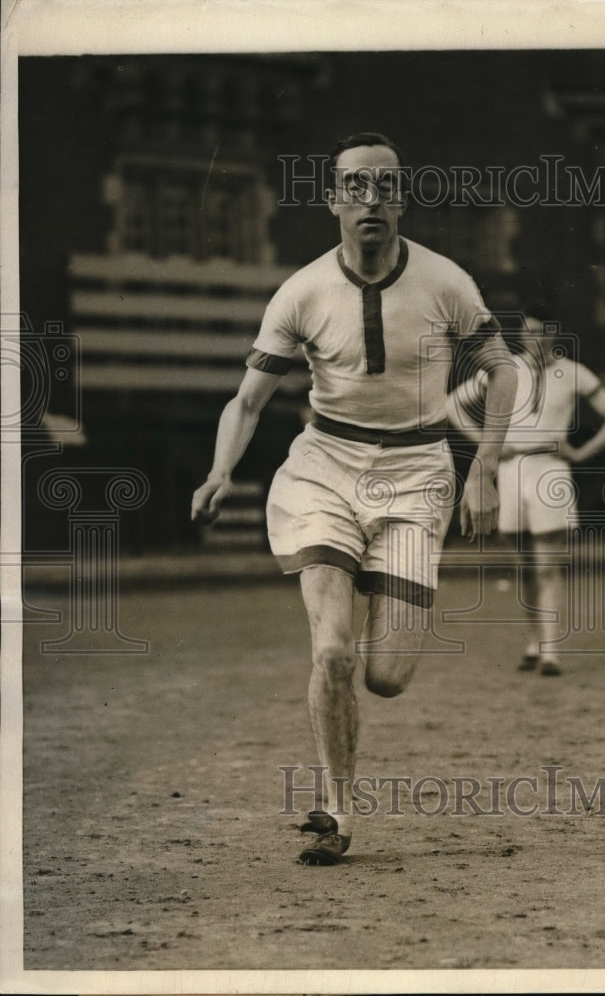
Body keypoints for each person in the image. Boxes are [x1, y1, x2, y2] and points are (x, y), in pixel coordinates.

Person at [191, 133, 518, 864]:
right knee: (333, 649)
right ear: (334, 199)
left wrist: (486, 466)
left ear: (401, 199)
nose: (371, 199)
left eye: (385, 186)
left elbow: (503, 370)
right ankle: (339, 814)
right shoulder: (302, 292)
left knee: (386, 677)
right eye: (355, 186)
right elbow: (247, 402)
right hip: (324, 469)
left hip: (417, 474)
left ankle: (393, 591)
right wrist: (219, 472)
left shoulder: (445, 282)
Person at [447, 308, 605, 677]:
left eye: (543, 333)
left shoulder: (573, 372)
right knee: (525, 568)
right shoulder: (505, 370)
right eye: (529, 332)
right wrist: (489, 444)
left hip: (551, 471)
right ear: (520, 335)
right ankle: (534, 643)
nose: (536, 340)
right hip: (511, 471)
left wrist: (579, 453)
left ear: (554, 335)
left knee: (548, 567)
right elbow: (451, 405)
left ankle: (550, 652)